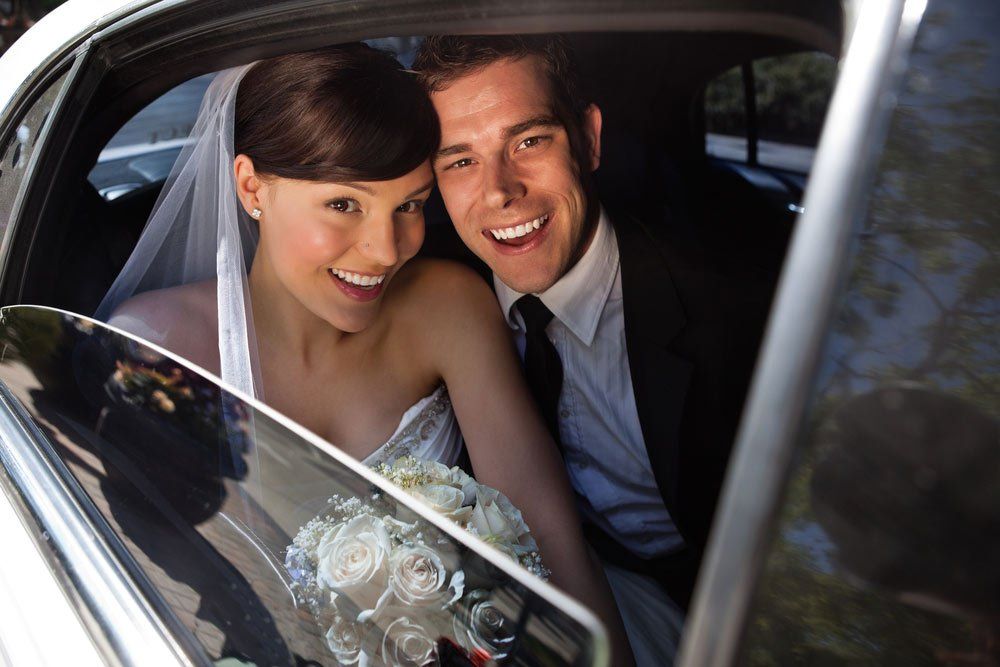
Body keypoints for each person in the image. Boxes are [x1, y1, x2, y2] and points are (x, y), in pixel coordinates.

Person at [95, 44, 633, 666]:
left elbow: (552, 546)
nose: (385, 249)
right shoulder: (152, 351)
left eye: (409, 205)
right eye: (344, 205)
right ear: (251, 187)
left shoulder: (448, 308)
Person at [413, 35, 773, 663]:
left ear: (589, 139)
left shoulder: (731, 305)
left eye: (528, 142)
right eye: (461, 161)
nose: (499, 191)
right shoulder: (429, 293)